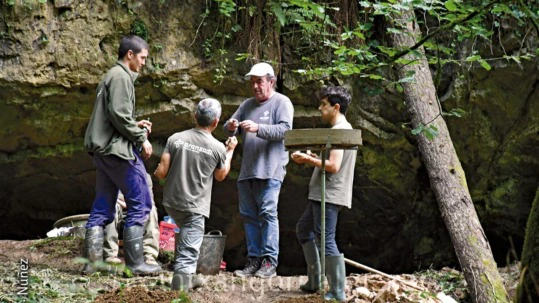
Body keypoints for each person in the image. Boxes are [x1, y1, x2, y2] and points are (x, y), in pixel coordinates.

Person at [82, 35, 161, 275]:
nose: (144, 63)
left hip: (103, 151)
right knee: (141, 201)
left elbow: (113, 116)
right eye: (143, 57)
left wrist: (134, 124)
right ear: (130, 55)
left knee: (103, 206)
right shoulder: (121, 77)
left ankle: (92, 264)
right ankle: (137, 263)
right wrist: (141, 138)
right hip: (117, 152)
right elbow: (118, 114)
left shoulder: (111, 76)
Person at [154, 98, 238, 291]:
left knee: (186, 233)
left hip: (172, 202)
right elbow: (220, 175)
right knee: (190, 248)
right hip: (194, 206)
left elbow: (161, 172)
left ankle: (189, 278)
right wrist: (230, 151)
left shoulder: (176, 138)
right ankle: (180, 287)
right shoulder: (218, 148)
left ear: (195, 117)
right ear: (216, 122)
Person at [223, 62, 294, 278]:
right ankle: (253, 261)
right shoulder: (247, 105)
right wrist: (232, 126)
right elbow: (226, 126)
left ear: (271, 82)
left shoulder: (281, 102)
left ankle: (269, 263)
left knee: (267, 214)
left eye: (259, 81)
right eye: (252, 82)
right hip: (248, 171)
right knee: (248, 216)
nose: (255, 86)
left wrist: (259, 128)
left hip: (271, 170)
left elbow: (286, 130)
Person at [291, 86, 356, 301]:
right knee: (303, 229)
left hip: (329, 195)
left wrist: (309, 160)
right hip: (321, 194)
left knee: (326, 239)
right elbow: (329, 160)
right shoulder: (340, 130)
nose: (320, 108)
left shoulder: (340, 131)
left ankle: (337, 291)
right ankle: (315, 281)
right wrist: (313, 155)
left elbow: (334, 165)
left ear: (336, 107)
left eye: (324, 104)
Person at [103, 173, 160, 266]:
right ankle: (110, 254)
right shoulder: (113, 174)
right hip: (120, 214)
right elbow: (110, 198)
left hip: (138, 214)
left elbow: (148, 201)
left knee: (151, 210)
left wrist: (131, 204)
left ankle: (149, 256)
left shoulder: (145, 176)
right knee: (111, 206)